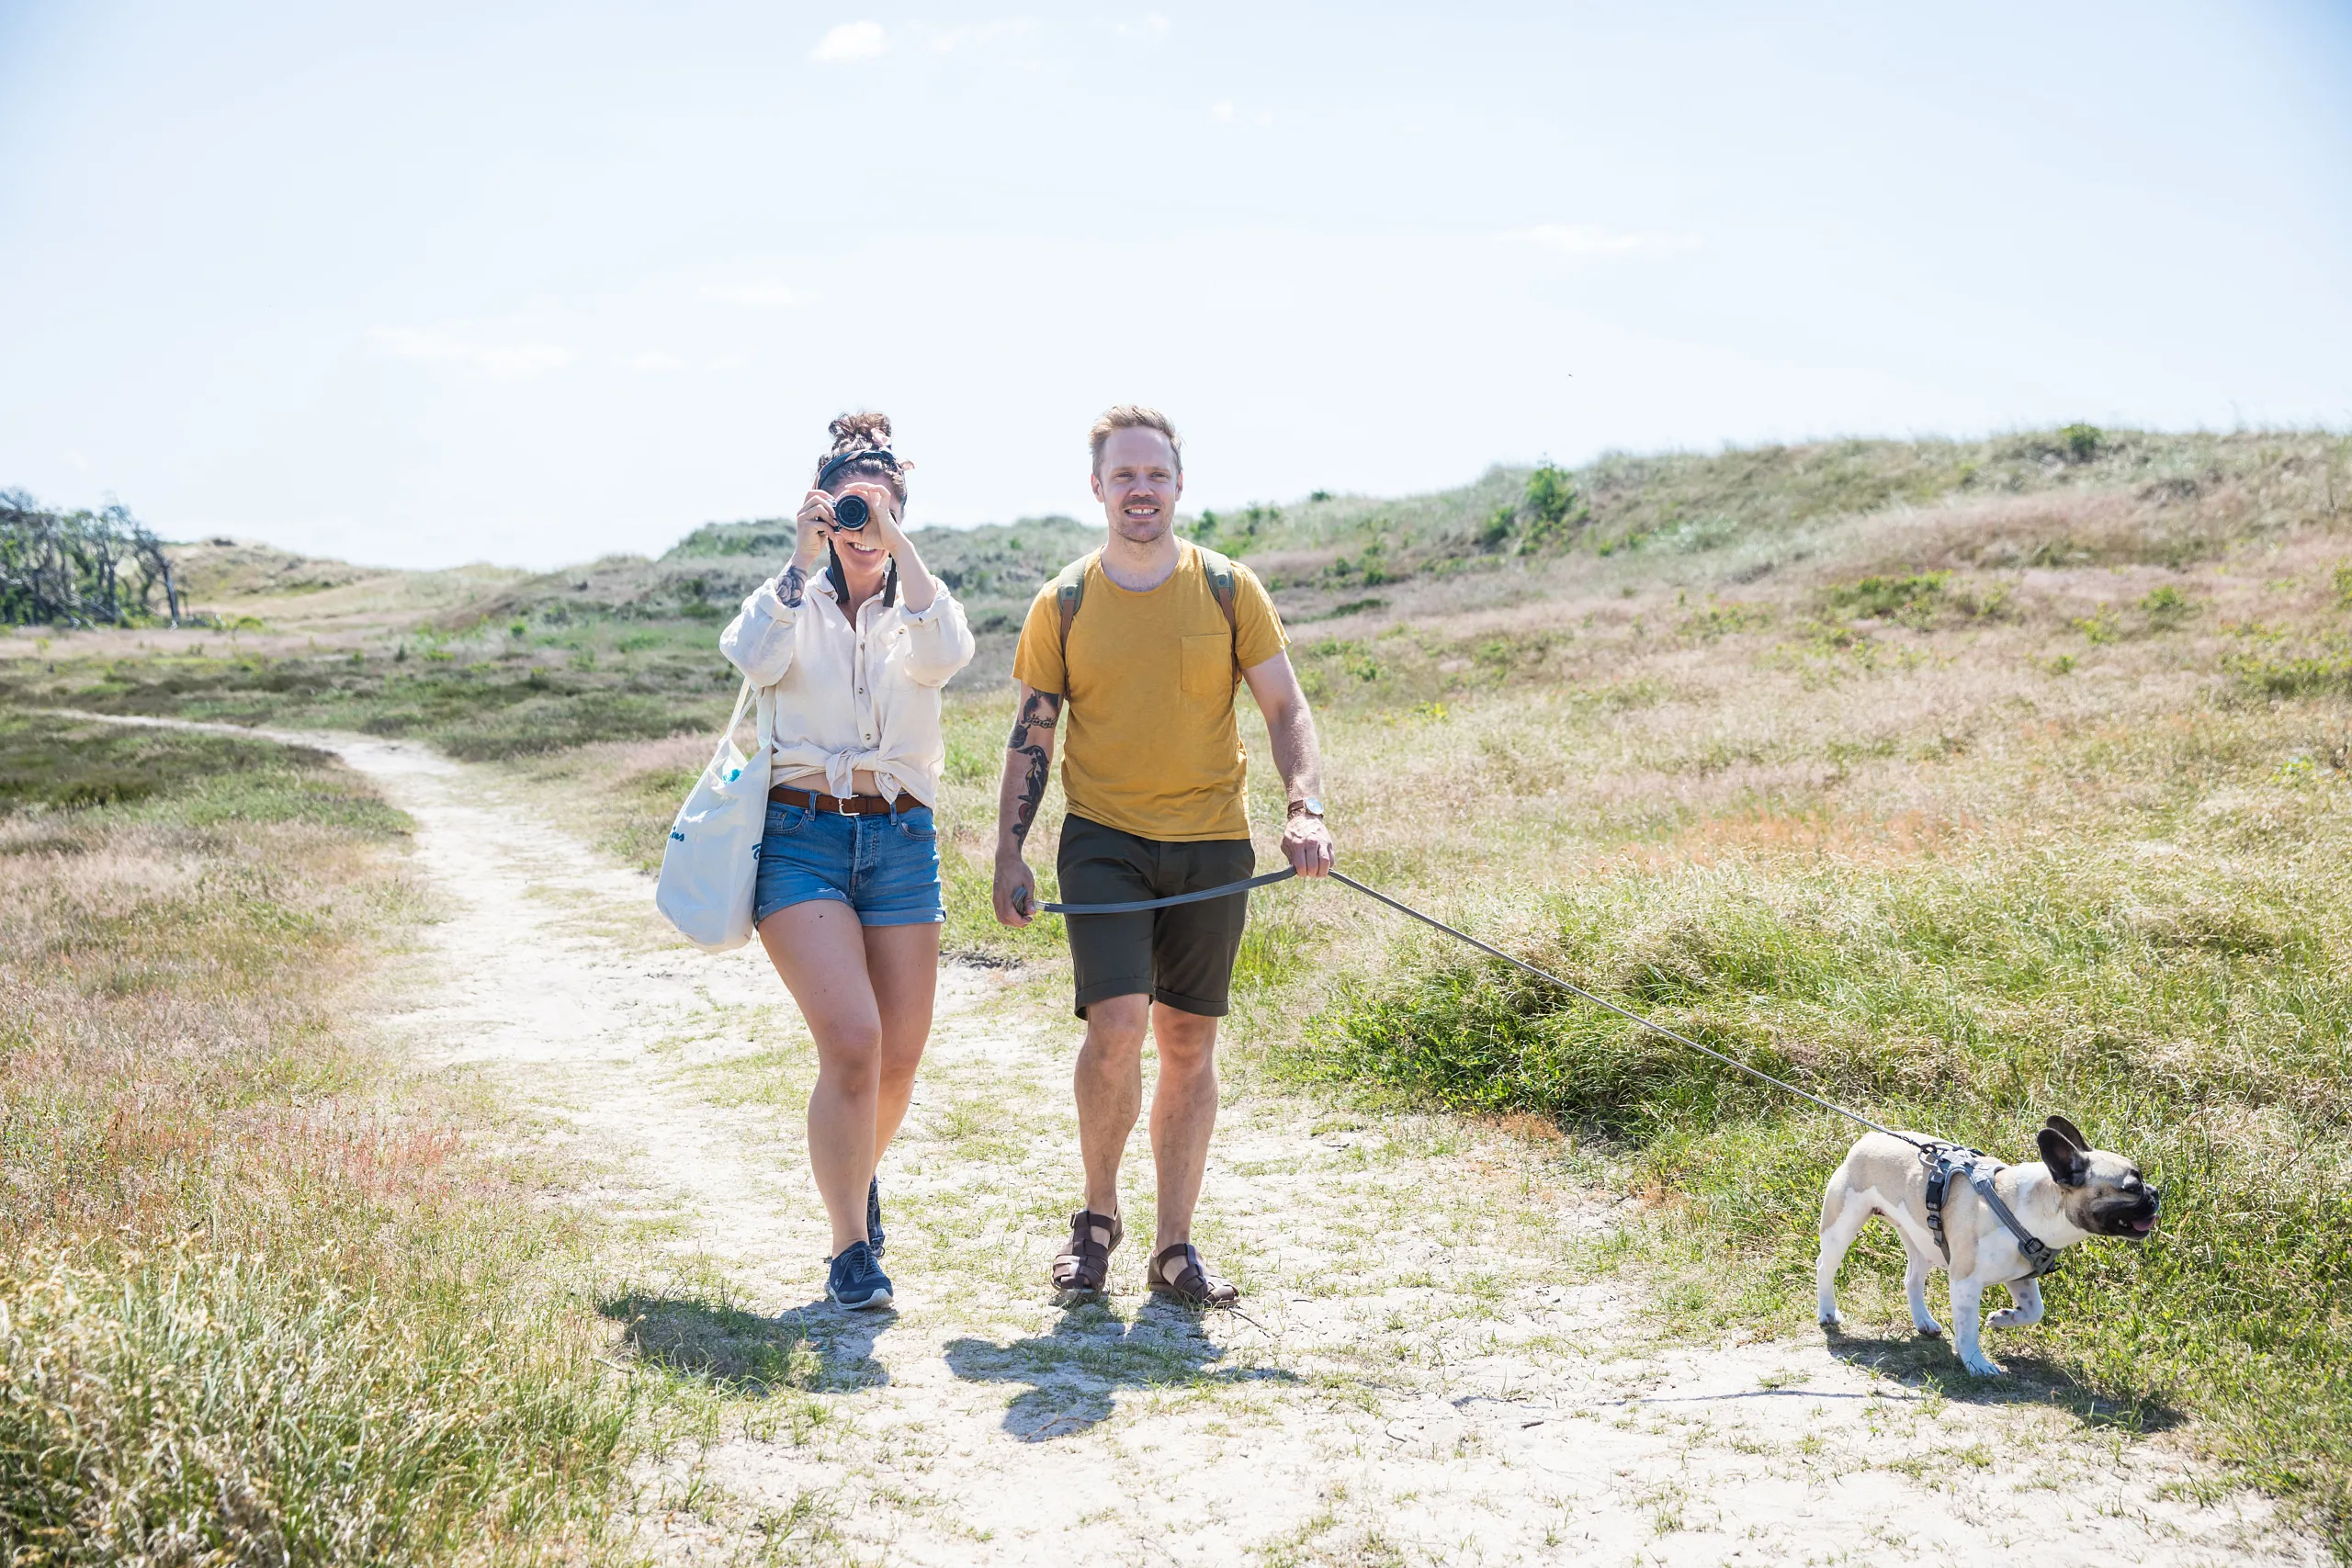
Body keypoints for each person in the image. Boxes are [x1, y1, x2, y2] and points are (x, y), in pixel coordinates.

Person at [992, 404, 1335, 1305]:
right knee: (1117, 1028)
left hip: (1213, 845)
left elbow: (1285, 710)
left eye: (1154, 475)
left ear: (1178, 485)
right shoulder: (1062, 602)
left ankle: (1173, 1250)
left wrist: (1304, 808)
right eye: (1122, 475)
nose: (1138, 490)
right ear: (1096, 487)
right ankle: (1096, 1222)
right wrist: (1008, 852)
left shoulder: (1227, 589)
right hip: (1103, 842)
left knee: (1188, 1039)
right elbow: (1033, 732)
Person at [721, 412, 975, 1310]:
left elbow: (946, 658)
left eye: (880, 508)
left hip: (902, 839)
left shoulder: (921, 603)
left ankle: (854, 1173)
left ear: (902, 511)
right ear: (823, 511)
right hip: (802, 839)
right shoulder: (792, 599)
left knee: (899, 1063)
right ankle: (849, 1250)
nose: (863, 525)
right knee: (855, 1042)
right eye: (850, 510)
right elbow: (750, 659)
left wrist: (897, 546)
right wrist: (800, 556)